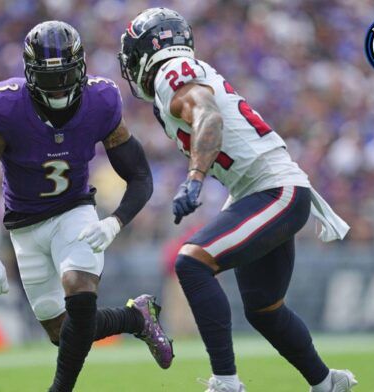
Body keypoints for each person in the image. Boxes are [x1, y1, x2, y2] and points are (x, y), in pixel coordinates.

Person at [118, 8, 357, 392]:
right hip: (260, 190)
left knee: (192, 262)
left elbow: (209, 118)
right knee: (264, 309)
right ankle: (328, 383)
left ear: (148, 50)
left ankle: (226, 384)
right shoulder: (179, 75)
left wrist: (194, 180)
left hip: (275, 190)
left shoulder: (169, 72)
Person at [0, 21, 173, 392]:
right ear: (29, 74)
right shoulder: (7, 107)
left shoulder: (100, 102)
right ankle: (135, 318)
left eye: (65, 75)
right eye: (49, 77)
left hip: (73, 210)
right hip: (24, 225)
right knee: (64, 332)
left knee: (79, 289)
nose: (59, 86)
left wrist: (115, 223)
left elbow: (140, 175)